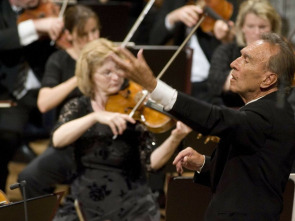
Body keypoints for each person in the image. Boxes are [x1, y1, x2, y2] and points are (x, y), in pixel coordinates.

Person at [109, 32, 295, 220]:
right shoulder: (268, 109)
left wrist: (153, 86)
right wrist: (204, 164)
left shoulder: (269, 115)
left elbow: (216, 118)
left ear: (268, 79)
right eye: (240, 55)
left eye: (246, 60)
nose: (233, 63)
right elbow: (247, 175)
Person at [51, 38, 191, 221]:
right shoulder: (79, 107)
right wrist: (94, 117)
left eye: (119, 70)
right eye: (107, 72)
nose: (116, 77)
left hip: (131, 204)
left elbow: (152, 163)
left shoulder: (136, 106)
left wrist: (175, 137)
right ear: (90, 76)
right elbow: (58, 139)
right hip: (86, 200)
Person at [18, 4, 101, 198]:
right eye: (83, 34)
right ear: (69, 34)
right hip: (68, 140)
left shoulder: (106, 58)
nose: (92, 39)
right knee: (27, 178)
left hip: (101, 140)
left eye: (95, 31)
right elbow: (44, 103)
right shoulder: (59, 60)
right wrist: (78, 77)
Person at [0, 0, 63, 192]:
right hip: (12, 95)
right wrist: (35, 26)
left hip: (48, 90)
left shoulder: (50, 8)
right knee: (4, 138)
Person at [148, 0, 239, 101]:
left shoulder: (229, 4)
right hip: (177, 80)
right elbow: (154, 39)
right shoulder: (174, 2)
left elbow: (239, 45)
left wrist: (226, 39)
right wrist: (172, 18)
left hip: (210, 85)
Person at [207, 0, 282, 108]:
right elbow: (215, 84)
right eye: (251, 26)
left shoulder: (279, 55)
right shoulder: (226, 50)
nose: (256, 32)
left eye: (262, 27)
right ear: (242, 27)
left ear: (272, 28)